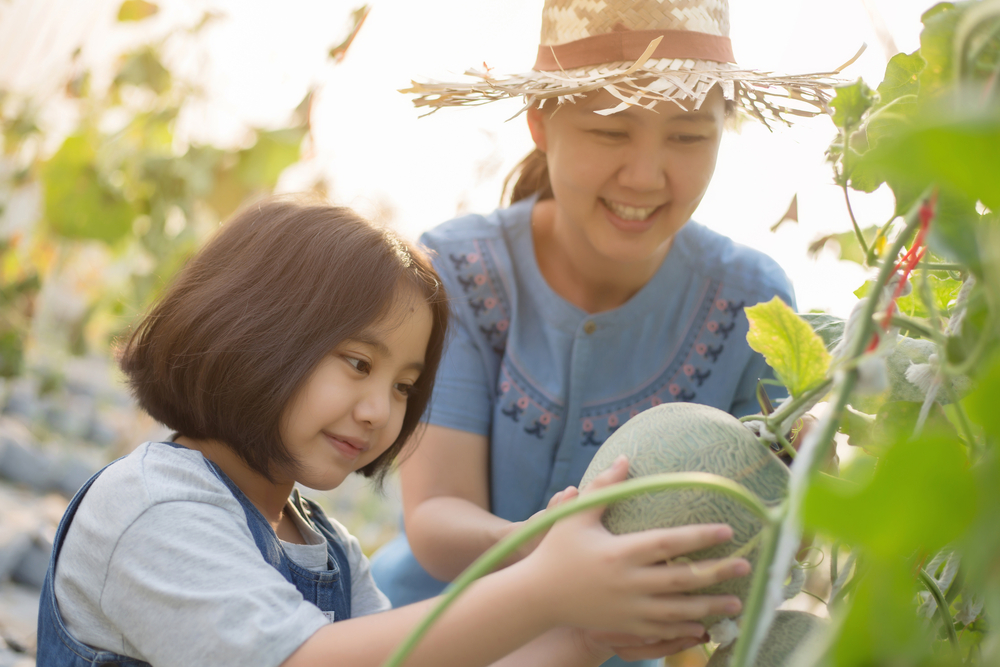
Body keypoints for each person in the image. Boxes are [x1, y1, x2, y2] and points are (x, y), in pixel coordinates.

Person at [36, 199, 752, 667]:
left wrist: (582, 636)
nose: (382, 409)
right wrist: (542, 589)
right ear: (250, 330)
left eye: (406, 386)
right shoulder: (155, 507)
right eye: (357, 362)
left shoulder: (328, 549)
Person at [372, 1, 841, 663]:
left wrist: (806, 473)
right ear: (541, 123)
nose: (646, 177)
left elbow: (756, 528)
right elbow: (436, 518)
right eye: (611, 131)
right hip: (419, 639)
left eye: (687, 136)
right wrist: (558, 560)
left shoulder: (754, 301)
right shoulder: (457, 270)